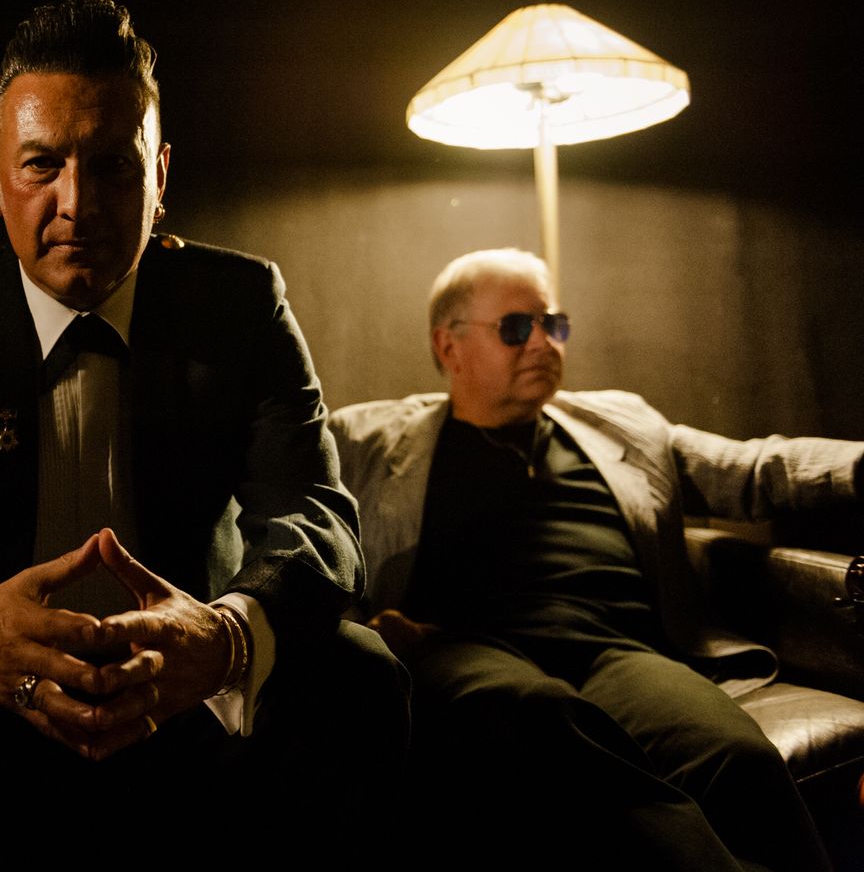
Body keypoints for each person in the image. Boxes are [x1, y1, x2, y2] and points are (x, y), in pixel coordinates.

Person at [0, 0, 408, 830]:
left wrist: (226, 638)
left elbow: (317, 518)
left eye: (114, 166)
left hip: (185, 696)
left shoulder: (241, 306)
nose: (77, 202)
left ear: (160, 179)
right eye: (41, 165)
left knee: (360, 670)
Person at [329, 247, 861, 872]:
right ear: (449, 346)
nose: (542, 343)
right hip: (469, 649)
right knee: (536, 718)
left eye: (552, 324)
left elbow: (750, 470)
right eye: (516, 328)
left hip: (619, 652)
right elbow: (289, 507)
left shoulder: (620, 422)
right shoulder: (366, 440)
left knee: (737, 757)